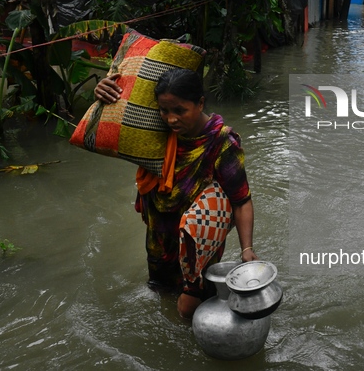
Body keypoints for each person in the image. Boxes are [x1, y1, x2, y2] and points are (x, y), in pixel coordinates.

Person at [94, 68, 258, 319]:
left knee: (189, 310)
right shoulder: (156, 131)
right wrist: (103, 95)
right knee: (162, 298)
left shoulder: (221, 142)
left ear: (200, 103)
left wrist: (247, 249)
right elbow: (114, 123)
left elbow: (241, 199)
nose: (171, 119)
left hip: (197, 245)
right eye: (164, 110)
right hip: (159, 238)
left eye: (180, 111)